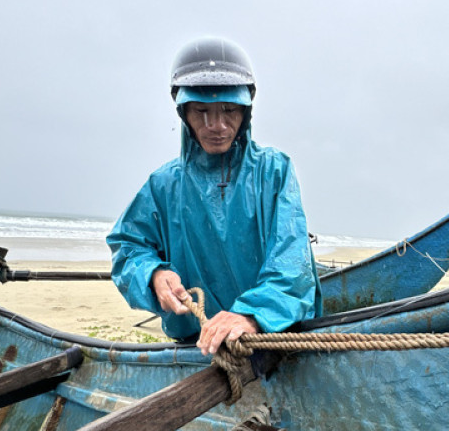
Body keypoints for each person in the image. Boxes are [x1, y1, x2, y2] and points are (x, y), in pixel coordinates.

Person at [106, 36, 321, 358]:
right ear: (184, 113)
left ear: (246, 111)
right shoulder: (164, 184)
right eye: (201, 111)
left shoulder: (274, 170)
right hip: (198, 344)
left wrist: (253, 314)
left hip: (272, 336)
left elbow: (291, 259)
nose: (216, 125)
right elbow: (129, 246)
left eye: (229, 110)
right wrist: (153, 274)